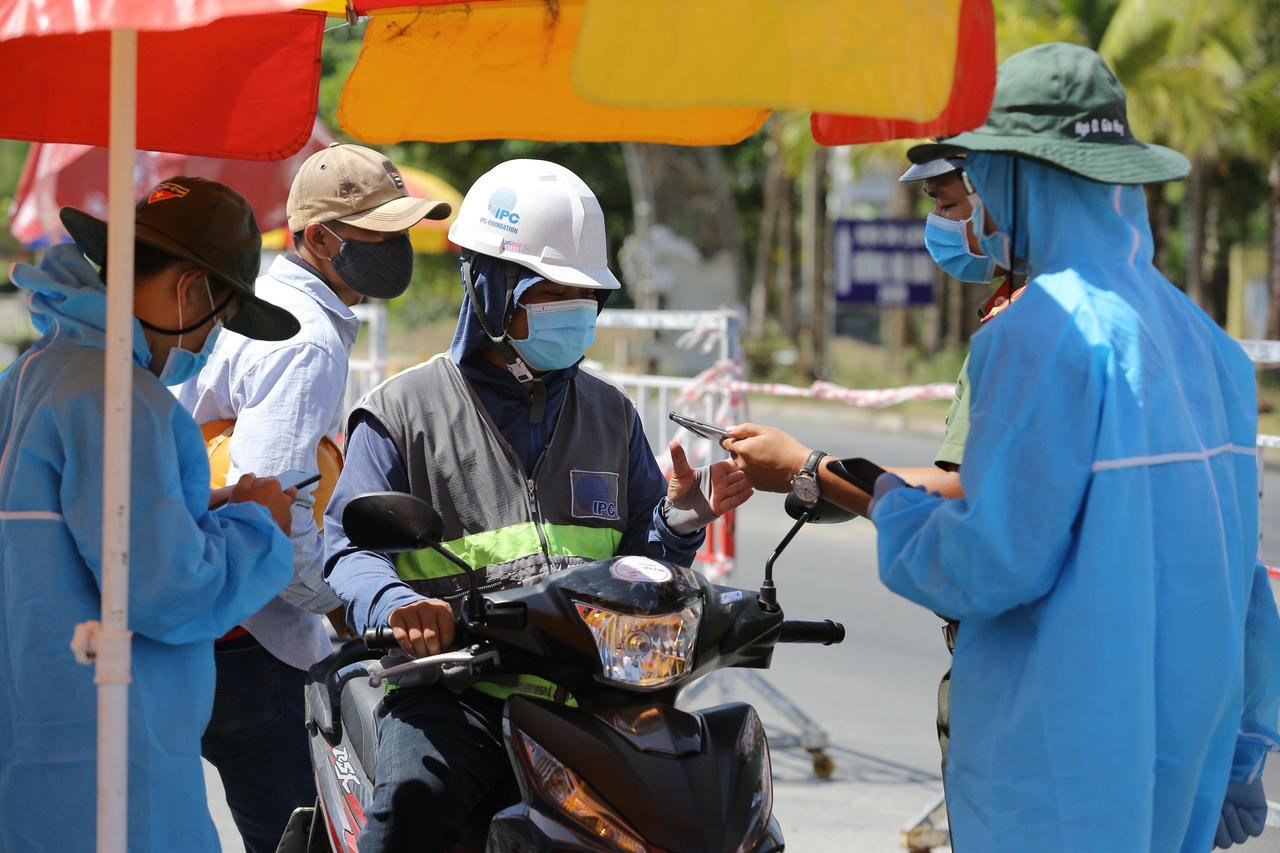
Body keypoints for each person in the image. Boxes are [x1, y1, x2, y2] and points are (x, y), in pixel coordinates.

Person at [723, 43, 1280, 852]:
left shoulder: (1035, 336)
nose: (974, 203)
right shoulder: (1209, 346)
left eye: (980, 177)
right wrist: (1246, 747)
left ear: (1020, 174)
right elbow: (1244, 586)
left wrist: (885, 501)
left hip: (1063, 765)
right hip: (1183, 759)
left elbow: (988, 561)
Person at [324, 158, 753, 851]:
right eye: (551, 291)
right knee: (412, 813)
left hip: (593, 697)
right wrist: (399, 605)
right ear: (488, 287)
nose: (573, 309)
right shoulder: (401, 411)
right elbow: (348, 547)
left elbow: (636, 572)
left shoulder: (611, 414)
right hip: (453, 694)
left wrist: (678, 521)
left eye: (585, 294)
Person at [0, 177, 300, 852]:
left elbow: (73, 543)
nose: (211, 338)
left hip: (31, 746)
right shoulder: (124, 401)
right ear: (192, 290)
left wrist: (192, 511)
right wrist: (259, 525)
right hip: (110, 762)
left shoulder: (27, 378)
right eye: (219, 318)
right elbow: (169, 591)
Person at [173, 144, 451, 852]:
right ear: (321, 239)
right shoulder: (306, 339)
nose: (397, 248)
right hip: (253, 638)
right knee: (303, 835)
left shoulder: (270, 304)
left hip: (211, 618)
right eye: (379, 233)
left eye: (401, 229)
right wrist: (338, 602)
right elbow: (271, 513)